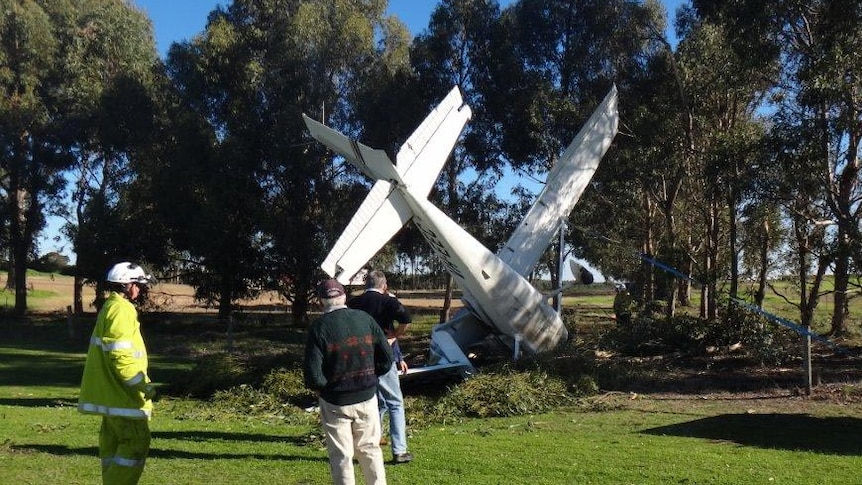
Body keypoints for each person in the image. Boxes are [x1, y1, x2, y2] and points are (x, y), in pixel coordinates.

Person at [304, 279, 393, 485]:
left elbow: (313, 375)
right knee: (370, 449)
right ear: (344, 297)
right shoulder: (365, 319)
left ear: (320, 302)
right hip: (367, 397)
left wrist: (323, 389)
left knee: (341, 455)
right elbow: (387, 358)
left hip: (335, 401)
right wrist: (371, 378)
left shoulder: (319, 328)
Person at [78, 262, 157, 485]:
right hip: (123, 396)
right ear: (128, 285)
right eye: (138, 285)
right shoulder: (122, 309)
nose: (140, 290)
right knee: (135, 444)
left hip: (111, 394)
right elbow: (121, 355)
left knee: (113, 447)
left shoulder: (110, 307)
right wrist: (143, 385)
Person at [348, 270, 413, 464]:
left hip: (361, 357)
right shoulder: (388, 301)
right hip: (384, 358)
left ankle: (369, 444)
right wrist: (395, 336)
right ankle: (400, 450)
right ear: (384, 285)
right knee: (395, 402)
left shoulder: (354, 303)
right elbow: (406, 320)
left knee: (372, 402)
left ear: (365, 285)